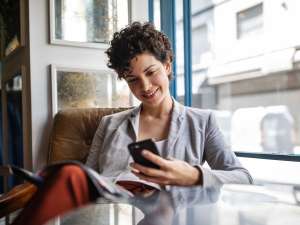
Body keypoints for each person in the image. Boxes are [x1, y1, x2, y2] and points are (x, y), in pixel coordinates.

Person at [11, 21, 252, 225]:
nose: (145, 87)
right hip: (115, 218)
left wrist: (193, 176)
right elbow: (91, 181)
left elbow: (243, 178)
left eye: (151, 72)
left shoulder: (202, 122)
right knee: (72, 174)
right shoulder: (109, 124)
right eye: (133, 79)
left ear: (167, 65)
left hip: (172, 218)